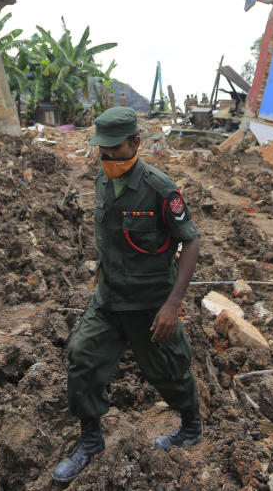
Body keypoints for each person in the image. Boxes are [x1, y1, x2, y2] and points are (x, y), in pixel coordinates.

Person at [52, 107, 203, 484]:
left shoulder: (159, 188)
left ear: (135, 142)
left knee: (167, 371)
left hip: (150, 302)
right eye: (100, 150)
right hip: (108, 298)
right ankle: (90, 441)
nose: (106, 157)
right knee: (82, 359)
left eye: (113, 149)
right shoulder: (103, 180)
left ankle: (190, 426)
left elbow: (192, 240)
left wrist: (172, 304)